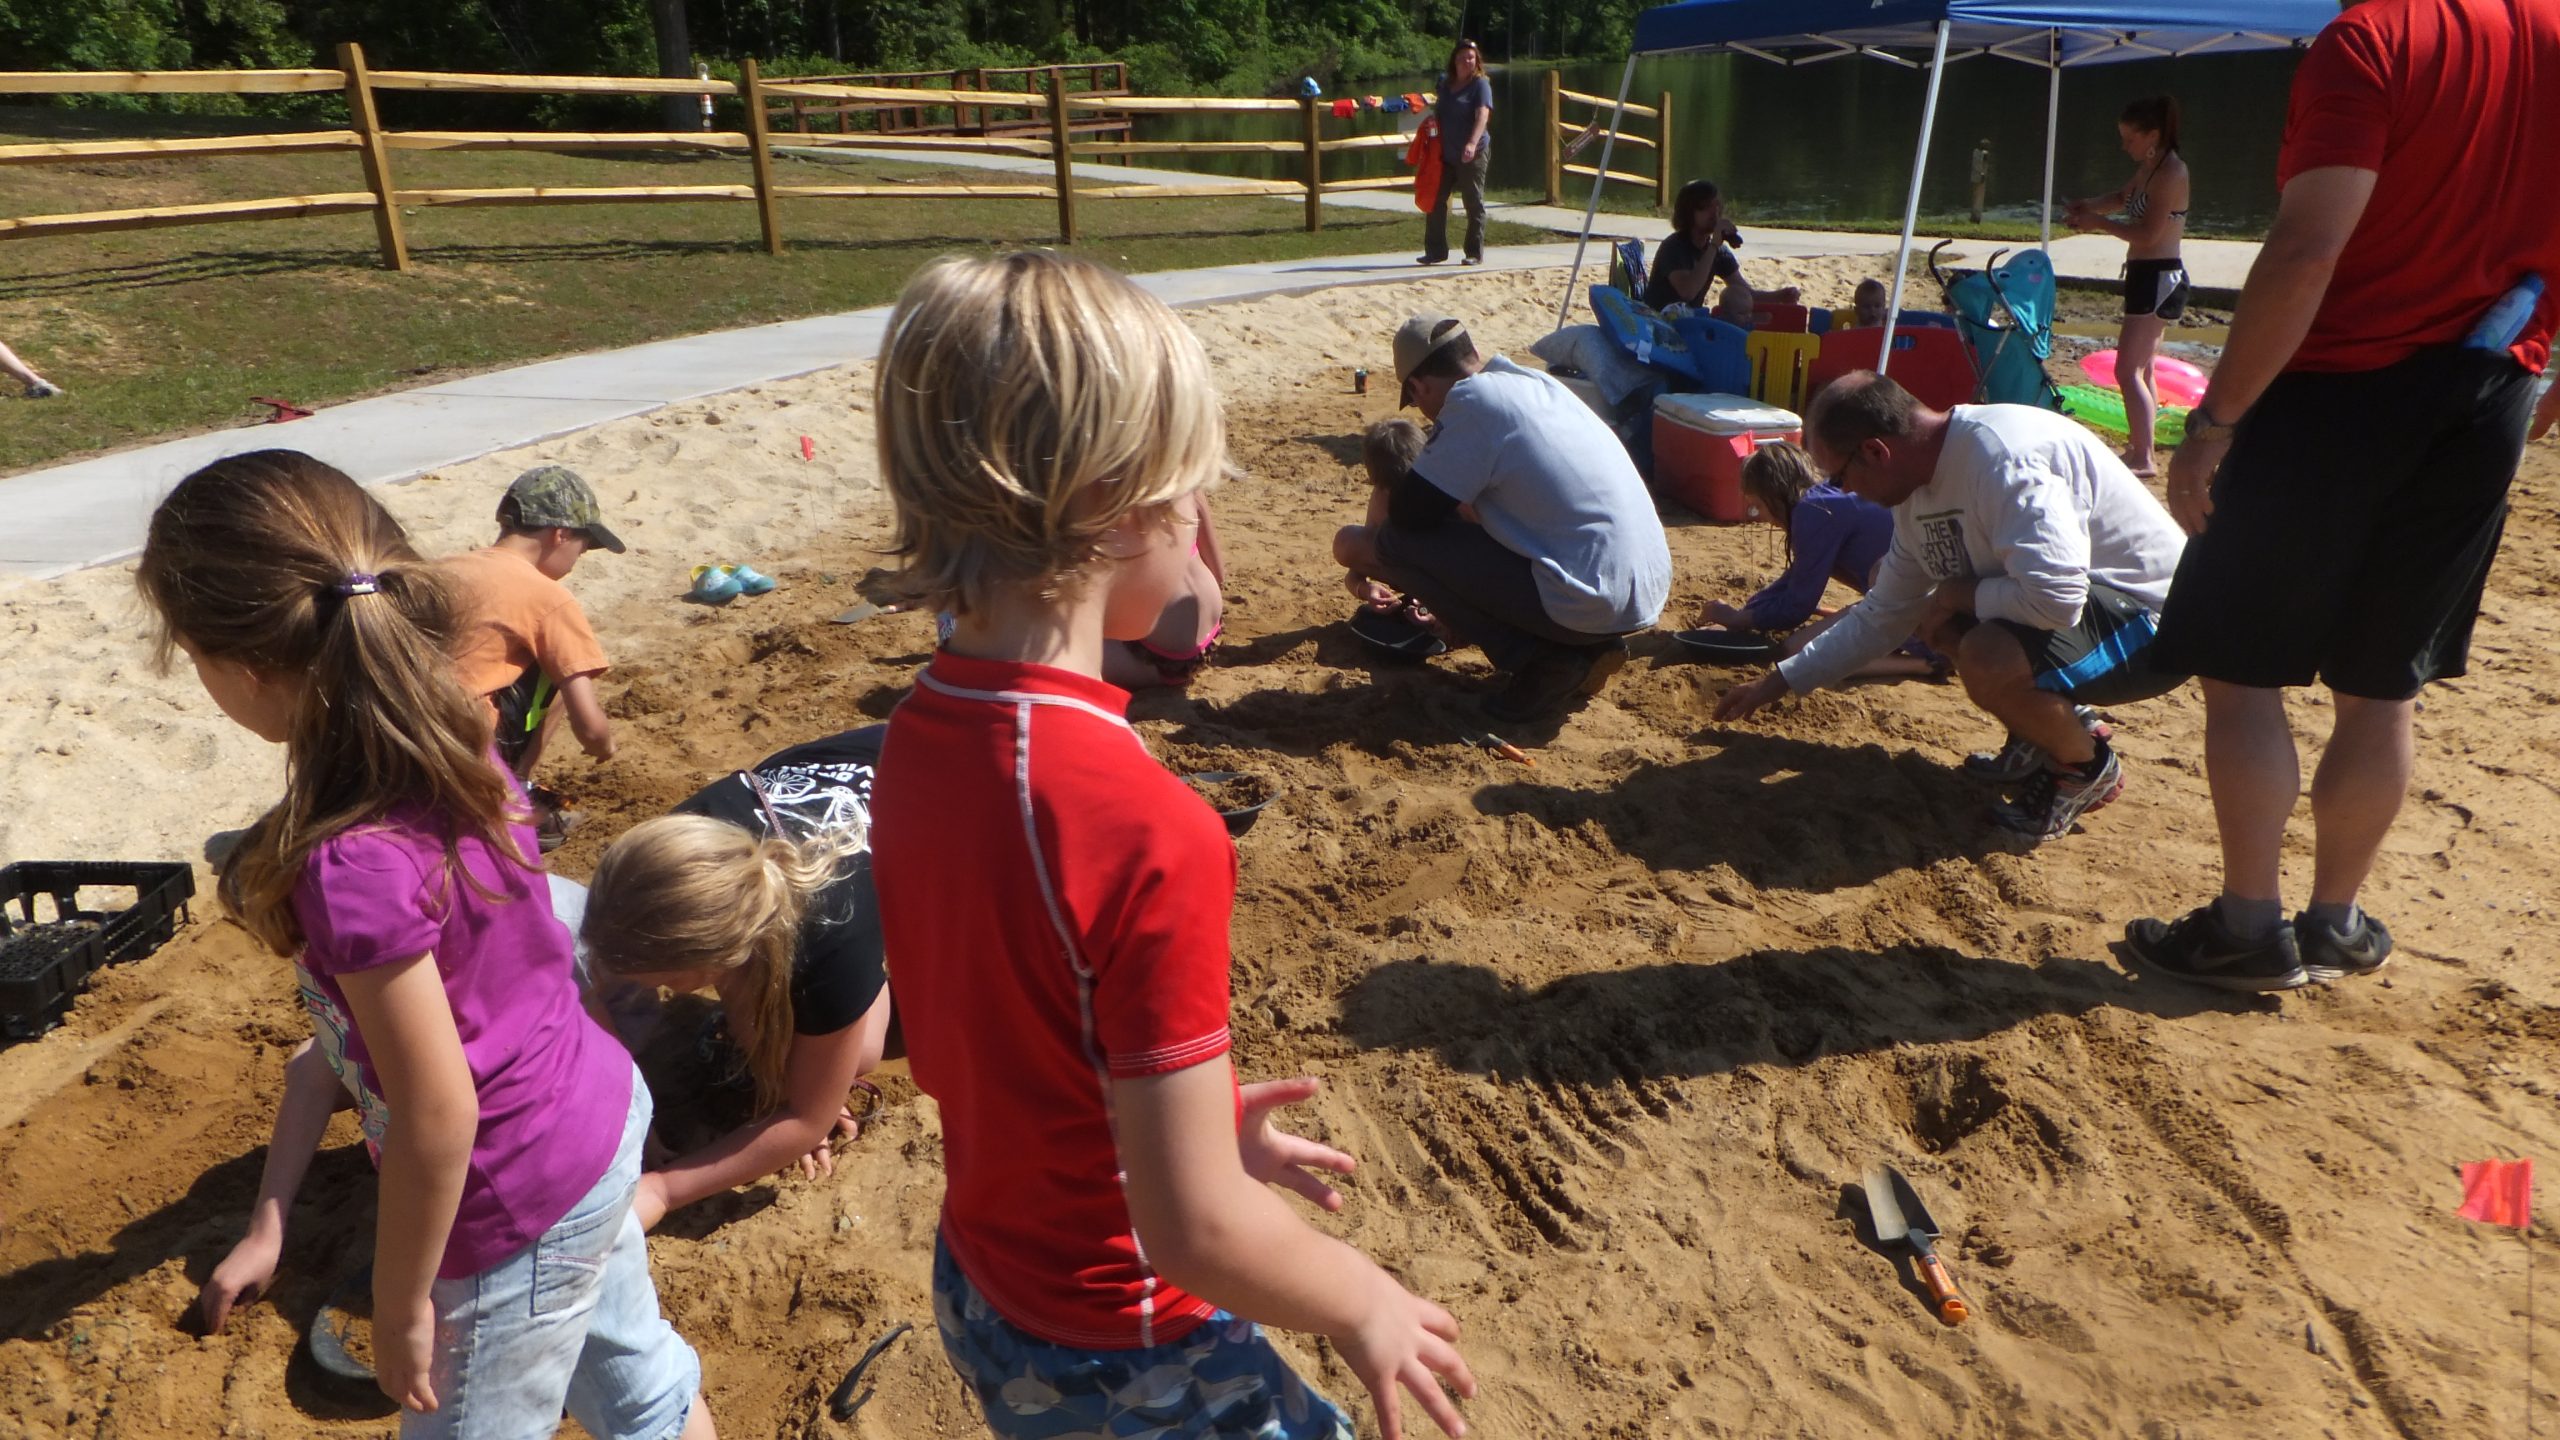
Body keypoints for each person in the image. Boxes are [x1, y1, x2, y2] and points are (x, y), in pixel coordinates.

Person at [866, 251, 1475, 1440]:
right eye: (1195, 498)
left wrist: (1192, 1117)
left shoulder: (916, 736)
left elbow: (990, 1034)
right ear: (1115, 503)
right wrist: (1364, 1298)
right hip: (1130, 1346)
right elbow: (1192, 1231)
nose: (1204, 536)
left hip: (989, 1285)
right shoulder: (1146, 821)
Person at [139, 449, 711, 1437]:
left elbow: (440, 1112)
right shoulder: (452, 735)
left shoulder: (350, 862)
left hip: (508, 1203)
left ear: (243, 667)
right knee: (639, 1380)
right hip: (594, 1121)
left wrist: (403, 1303)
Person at [2127, 0, 2560, 995]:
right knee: (2382, 685)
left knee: (2241, 671)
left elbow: (2306, 249)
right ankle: (2336, 921)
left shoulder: (2371, 39)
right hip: (2487, 389)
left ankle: (2246, 925)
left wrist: (2215, 424)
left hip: (2332, 387)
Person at [1714, 373, 2190, 842]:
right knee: (1931, 618)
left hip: (2158, 625)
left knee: (1985, 650)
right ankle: (2038, 734)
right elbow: (1886, 613)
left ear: (1876, 452)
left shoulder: (2004, 459)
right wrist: (1781, 681)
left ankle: (2085, 766)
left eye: (1840, 478)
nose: (1846, 493)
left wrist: (1953, 595)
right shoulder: (1916, 492)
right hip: (2084, 613)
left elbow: (2056, 598)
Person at [578, 726, 897, 1230]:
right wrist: (626, 1117)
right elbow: (590, 993)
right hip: (847, 769)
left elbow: (808, 1118)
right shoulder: (663, 860)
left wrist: (663, 1188)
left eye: (656, 979)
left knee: (859, 1055)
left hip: (943, 799)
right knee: (780, 1041)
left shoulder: (833, 933)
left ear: (716, 964)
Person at [1334, 313, 1671, 723]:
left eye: (1418, 400)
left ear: (1418, 387)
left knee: (1395, 544)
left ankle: (1539, 660)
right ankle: (1583, 648)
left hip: (1591, 598)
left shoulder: (1472, 402)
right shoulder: (1537, 384)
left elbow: (1410, 518)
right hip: (1642, 587)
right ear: (1472, 353)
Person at [445, 465, 620, 846]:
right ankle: (511, 792)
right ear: (561, 535)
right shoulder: (546, 596)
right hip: (462, 752)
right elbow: (590, 728)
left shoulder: (440, 569)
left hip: (392, 729)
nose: (577, 560)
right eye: (583, 547)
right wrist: (605, 747)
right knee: (560, 666)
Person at [1695, 441, 1941, 682]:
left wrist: (1738, 619)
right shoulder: (1824, 498)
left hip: (1923, 620)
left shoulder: (1813, 511)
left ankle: (1924, 663)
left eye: (1759, 505)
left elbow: (1797, 605)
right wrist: (1743, 618)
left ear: (1775, 493)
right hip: (1921, 602)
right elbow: (1793, 580)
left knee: (1797, 652)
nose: (1763, 517)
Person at [2066, 96, 2191, 477]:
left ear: (2152, 135)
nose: (2125, 147)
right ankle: (2142, 447)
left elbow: (2149, 234)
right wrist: (2087, 206)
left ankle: (2144, 456)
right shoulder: (2149, 167)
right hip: (2146, 277)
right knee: (2144, 369)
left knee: (2126, 370)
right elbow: (2122, 199)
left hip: (2160, 277)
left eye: (2130, 139)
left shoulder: (2171, 171)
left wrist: (2097, 224)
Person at [1106, 490, 1227, 689]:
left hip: (1154, 657)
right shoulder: (1189, 485)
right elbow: (1218, 573)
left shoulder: (1112, 505)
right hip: (1210, 638)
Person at [1640, 179, 1800, 315]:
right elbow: (1687, 292)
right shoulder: (1674, 247)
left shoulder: (1718, 252)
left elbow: (1745, 293)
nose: (1715, 212)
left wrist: (1780, 296)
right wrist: (1715, 245)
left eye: (1717, 206)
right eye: (1707, 207)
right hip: (1658, 319)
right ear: (1689, 212)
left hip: (1687, 320)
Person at [1418, 39, 1492, 268]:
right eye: (1461, 57)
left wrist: (1471, 143)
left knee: (1473, 201)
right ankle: (1436, 250)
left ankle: (1474, 252)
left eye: (1471, 57)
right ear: (1454, 61)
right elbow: (1439, 113)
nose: (1466, 61)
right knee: (1436, 199)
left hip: (1473, 153)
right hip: (1446, 154)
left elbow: (1482, 115)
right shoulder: (1446, 85)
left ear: (1476, 60)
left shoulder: (1480, 85)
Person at [1970, 138, 1992, 224]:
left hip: (1976, 177)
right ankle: (1976, 217)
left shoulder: (1976, 152)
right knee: (1978, 198)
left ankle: (1975, 216)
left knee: (1976, 197)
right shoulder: (1981, 153)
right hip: (1979, 177)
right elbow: (1980, 164)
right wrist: (1982, 174)